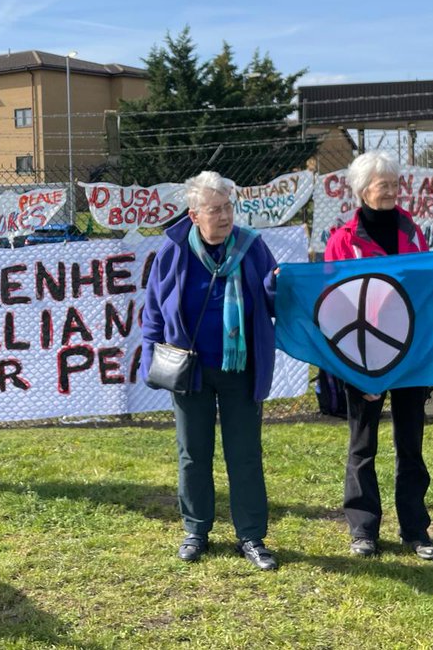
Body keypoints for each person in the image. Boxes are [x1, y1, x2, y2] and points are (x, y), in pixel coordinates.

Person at [141, 171, 280, 570]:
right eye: (214, 209)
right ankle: (196, 531)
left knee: (245, 455)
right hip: (190, 371)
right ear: (194, 214)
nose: (223, 216)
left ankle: (252, 537)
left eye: (228, 208)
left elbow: (272, 302)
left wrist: (278, 286)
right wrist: (154, 354)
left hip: (241, 369)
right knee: (192, 454)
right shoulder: (173, 250)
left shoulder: (252, 247)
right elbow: (154, 308)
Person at [325, 151, 433, 561]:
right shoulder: (342, 240)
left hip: (409, 355)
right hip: (363, 356)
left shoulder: (413, 232)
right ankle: (363, 529)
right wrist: (353, 369)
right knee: (363, 446)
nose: (391, 191)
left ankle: (416, 529)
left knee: (411, 444)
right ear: (362, 191)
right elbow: (333, 304)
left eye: (395, 184)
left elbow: (430, 284)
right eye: (383, 185)